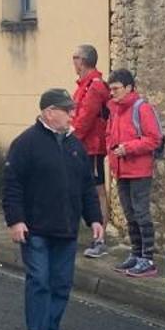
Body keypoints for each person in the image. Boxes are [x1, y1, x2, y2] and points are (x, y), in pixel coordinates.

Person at [1, 89, 104, 330]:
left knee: (61, 284)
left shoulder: (75, 146)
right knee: (39, 281)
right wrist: (16, 220)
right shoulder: (25, 144)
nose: (72, 114)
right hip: (36, 229)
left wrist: (94, 219)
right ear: (49, 112)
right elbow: (12, 185)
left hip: (66, 229)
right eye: (66, 110)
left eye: (72, 109)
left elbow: (86, 186)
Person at [104, 69, 162, 277]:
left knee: (141, 214)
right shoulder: (115, 110)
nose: (112, 93)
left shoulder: (142, 108)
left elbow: (154, 139)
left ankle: (148, 260)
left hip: (138, 170)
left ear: (129, 88)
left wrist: (127, 148)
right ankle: (136, 255)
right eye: (111, 89)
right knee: (130, 215)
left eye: (116, 88)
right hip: (121, 170)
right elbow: (110, 136)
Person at [71, 45, 112, 258]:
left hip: (92, 148)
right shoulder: (85, 86)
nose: (73, 62)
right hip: (84, 147)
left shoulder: (94, 87)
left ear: (83, 61)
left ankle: (100, 238)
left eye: (75, 57)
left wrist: (69, 141)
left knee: (98, 193)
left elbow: (84, 120)